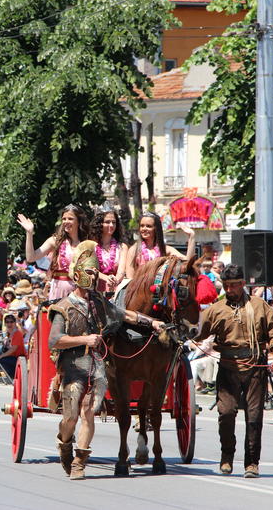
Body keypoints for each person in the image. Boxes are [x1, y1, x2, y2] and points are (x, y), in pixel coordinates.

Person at [49, 240, 165, 480]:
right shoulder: (63, 307)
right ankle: (64, 443)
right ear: (78, 274)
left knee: (88, 412)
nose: (93, 277)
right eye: (89, 272)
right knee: (70, 418)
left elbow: (126, 315)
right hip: (73, 367)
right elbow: (55, 340)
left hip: (98, 366)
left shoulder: (100, 302)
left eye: (95, 272)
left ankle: (80, 461)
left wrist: (151, 322)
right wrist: (83, 340)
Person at [196, 264, 273, 479]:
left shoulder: (259, 305)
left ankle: (252, 463)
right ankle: (227, 456)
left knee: (254, 418)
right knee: (226, 414)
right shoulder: (216, 309)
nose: (230, 289)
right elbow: (199, 332)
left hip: (255, 367)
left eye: (234, 285)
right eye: (226, 286)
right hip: (228, 367)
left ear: (243, 284)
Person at [18, 205, 89, 300]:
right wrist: (29, 233)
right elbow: (31, 257)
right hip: (59, 290)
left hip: (80, 291)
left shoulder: (87, 243)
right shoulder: (55, 241)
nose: (66, 222)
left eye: (70, 219)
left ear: (79, 221)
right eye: (64, 219)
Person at [124, 212, 195, 279]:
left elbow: (187, 261)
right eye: (142, 226)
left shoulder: (165, 249)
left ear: (156, 229)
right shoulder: (134, 250)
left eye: (148, 226)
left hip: (160, 289)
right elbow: (130, 278)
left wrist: (191, 236)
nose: (144, 229)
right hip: (139, 290)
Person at [89, 208, 129, 295]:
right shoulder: (91, 245)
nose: (111, 225)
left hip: (115, 289)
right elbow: (90, 268)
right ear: (99, 224)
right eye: (107, 222)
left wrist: (115, 280)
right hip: (95, 289)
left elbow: (121, 271)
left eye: (114, 222)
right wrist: (106, 278)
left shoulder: (122, 247)